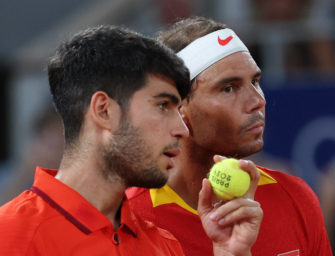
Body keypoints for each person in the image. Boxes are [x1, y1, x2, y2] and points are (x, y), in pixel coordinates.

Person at [0, 25, 263, 255]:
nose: (182, 129)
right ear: (104, 110)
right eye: (163, 106)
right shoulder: (9, 237)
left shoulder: (163, 245)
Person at [126, 17, 332, 256]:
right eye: (229, 88)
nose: (258, 101)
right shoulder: (129, 219)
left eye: (255, 82)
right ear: (177, 106)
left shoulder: (296, 198)